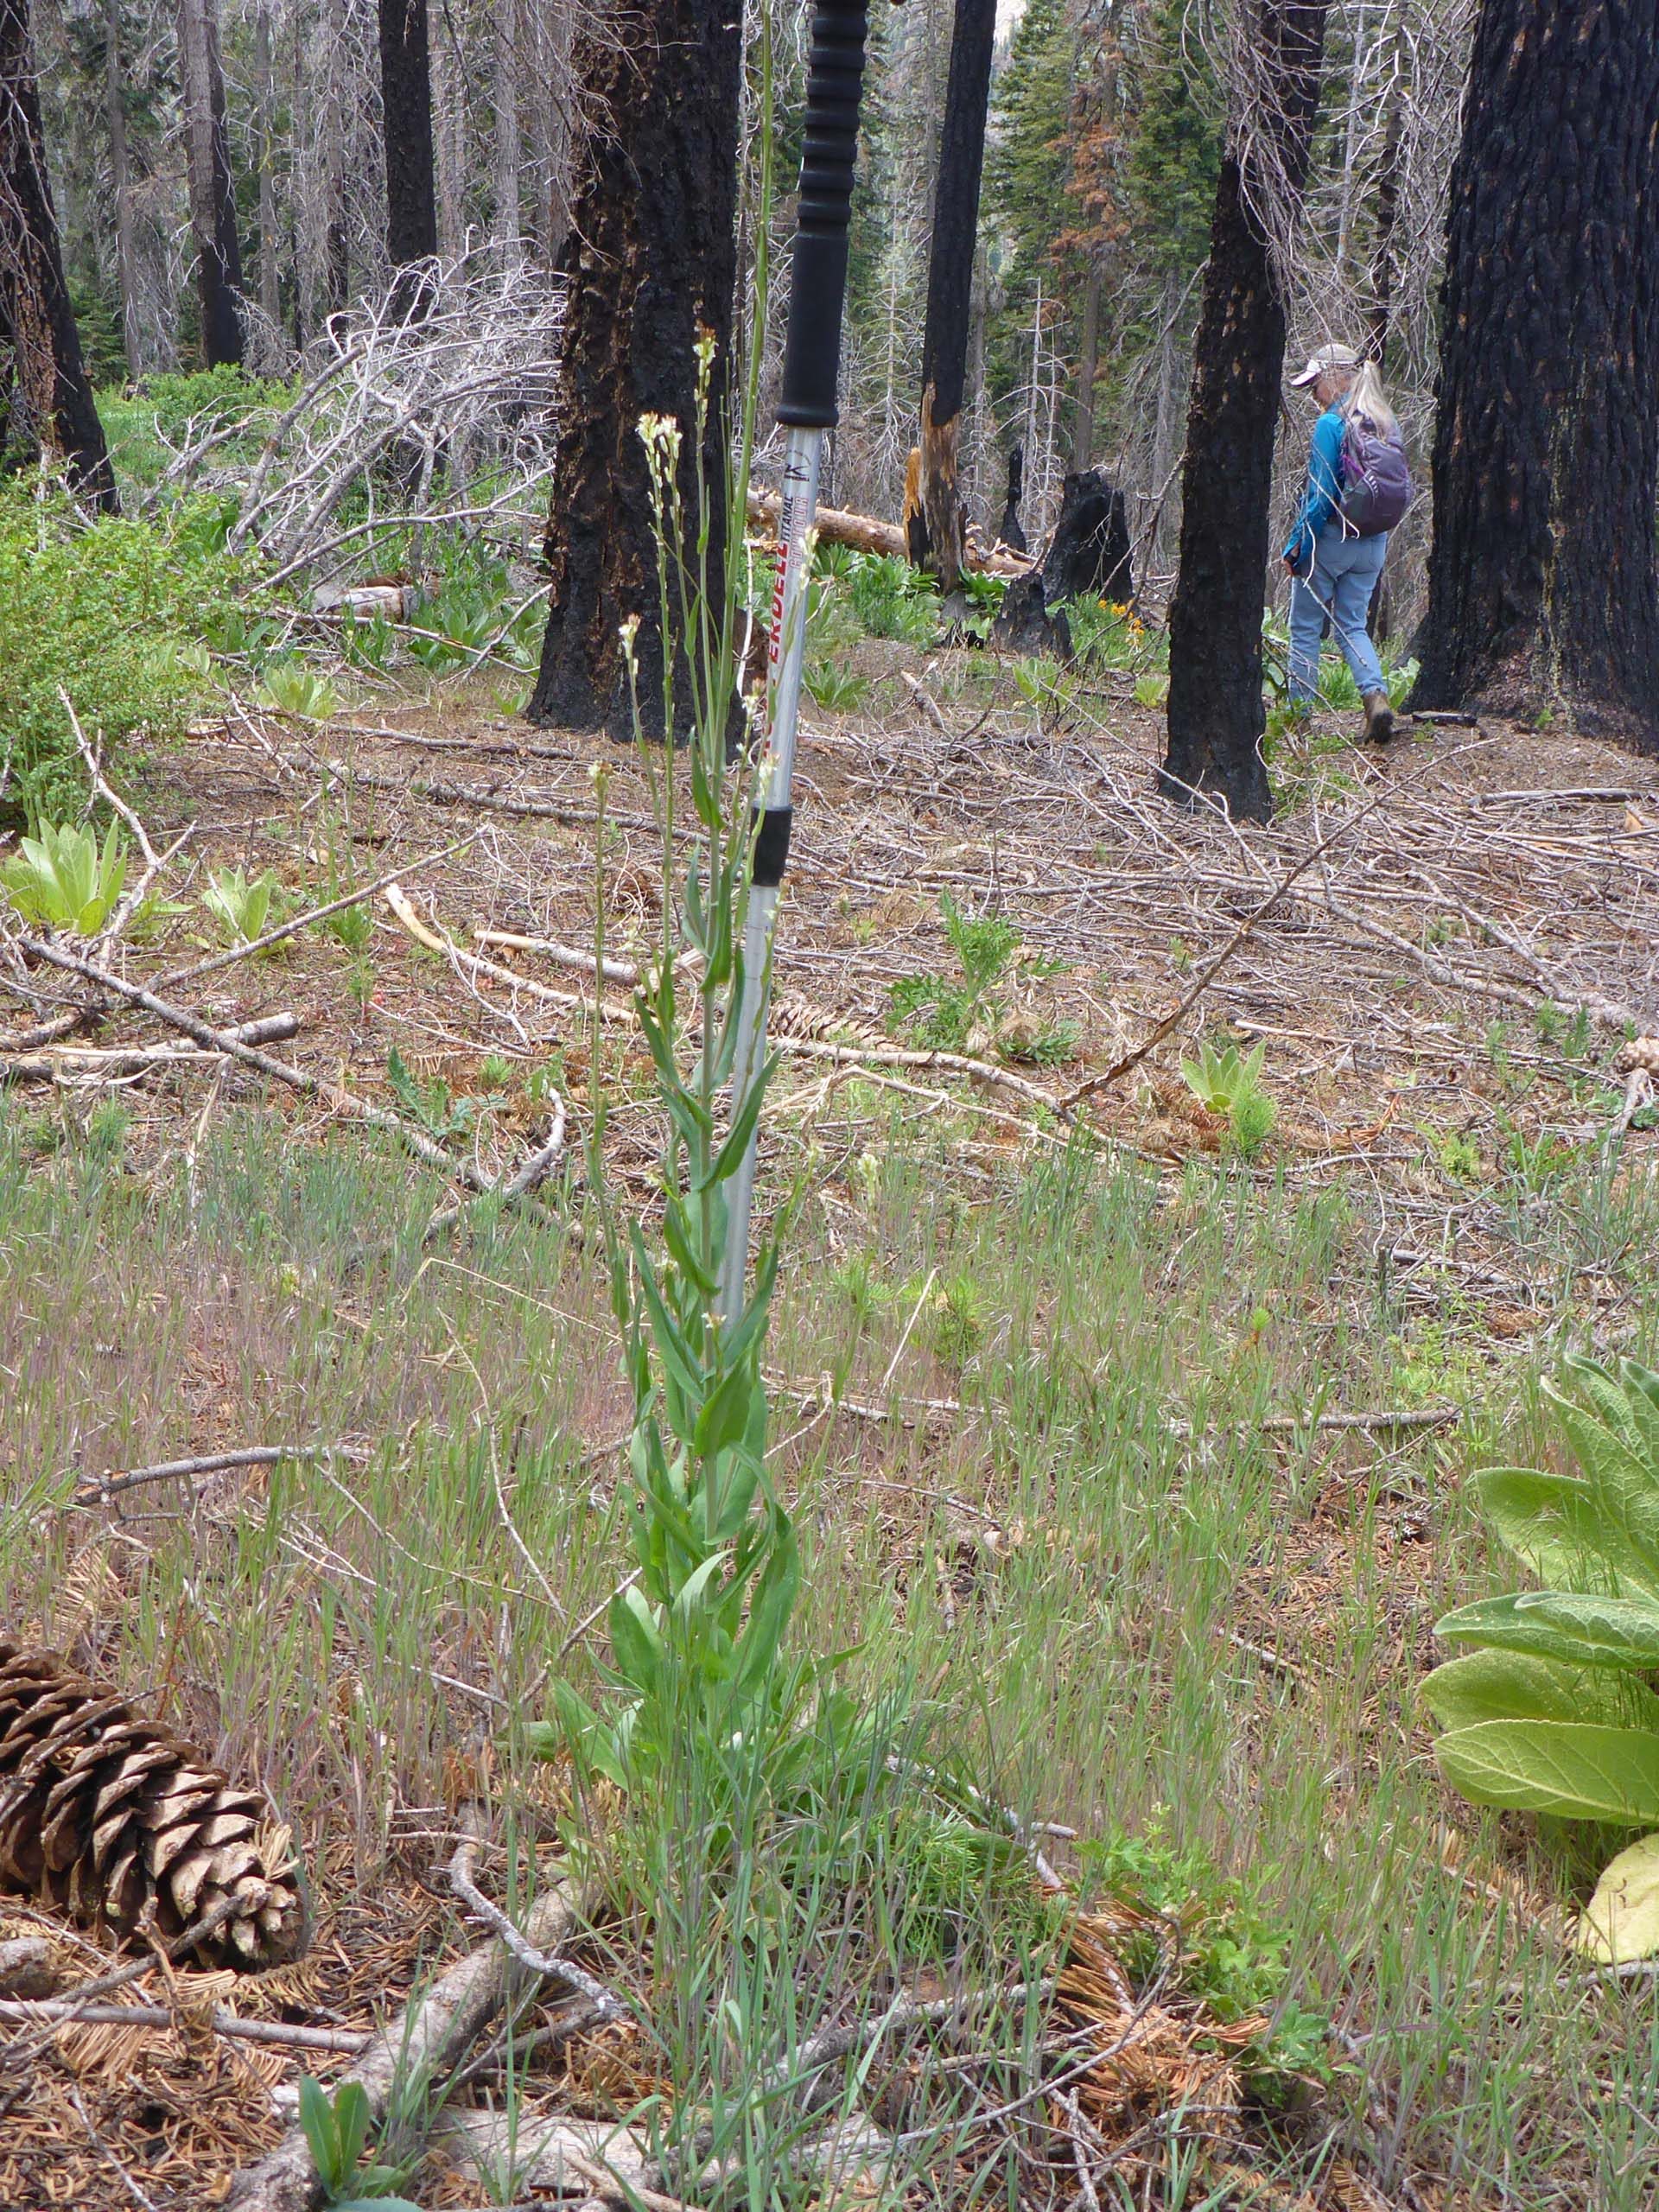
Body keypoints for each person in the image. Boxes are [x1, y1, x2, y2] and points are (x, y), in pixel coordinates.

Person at [1281, 342, 1398, 743]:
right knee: (1352, 623)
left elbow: (1320, 494)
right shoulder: (1383, 418)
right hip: (1374, 542)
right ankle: (1375, 699)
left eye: (1315, 384)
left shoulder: (1332, 424)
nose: (1313, 395)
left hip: (1333, 539)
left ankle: (1299, 721)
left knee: (1304, 629)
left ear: (1335, 377)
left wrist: (1298, 545)